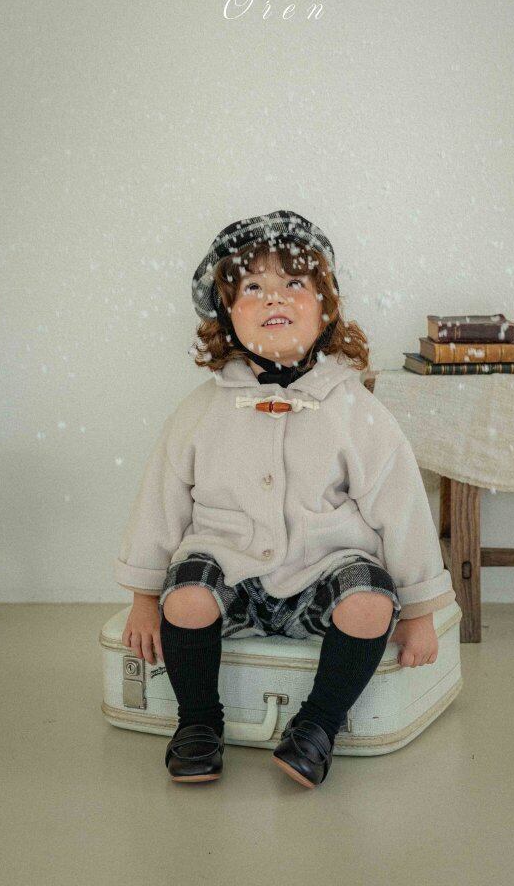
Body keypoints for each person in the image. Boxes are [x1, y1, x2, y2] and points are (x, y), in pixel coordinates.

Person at [115, 209, 457, 787]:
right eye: (253, 287)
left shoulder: (356, 409)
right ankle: (198, 721)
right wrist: (145, 598)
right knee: (187, 596)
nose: (274, 296)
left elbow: (401, 508)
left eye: (294, 281)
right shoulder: (201, 410)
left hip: (323, 576)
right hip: (232, 578)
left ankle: (318, 724)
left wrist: (420, 613)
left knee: (370, 602)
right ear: (227, 315)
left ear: (326, 308)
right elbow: (160, 502)